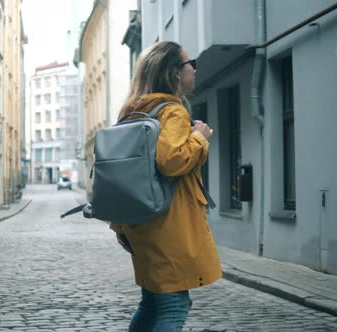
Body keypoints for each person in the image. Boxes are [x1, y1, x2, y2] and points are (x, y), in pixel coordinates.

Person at [110, 41, 222, 331]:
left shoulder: (134, 111)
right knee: (174, 304)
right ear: (174, 73)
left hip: (140, 222)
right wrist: (199, 137)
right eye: (190, 63)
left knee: (151, 302)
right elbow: (172, 161)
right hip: (167, 225)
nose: (194, 69)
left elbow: (119, 174)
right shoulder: (172, 112)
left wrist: (120, 225)